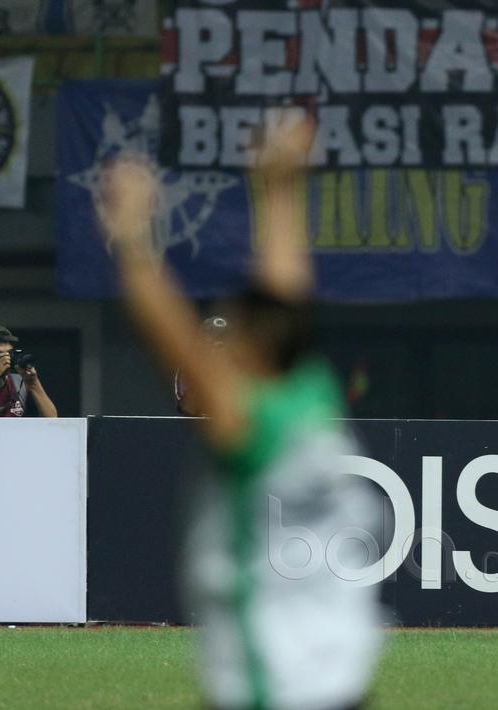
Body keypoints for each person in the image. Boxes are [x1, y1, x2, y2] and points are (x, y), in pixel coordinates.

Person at [98, 123, 383, 708]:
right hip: (343, 678)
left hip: (272, 686)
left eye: (233, 329)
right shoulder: (312, 393)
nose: (221, 339)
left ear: (254, 349)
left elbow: (167, 332)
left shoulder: (252, 425)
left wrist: (132, 239)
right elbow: (285, 303)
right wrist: (279, 190)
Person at [174, 315, 227, 416]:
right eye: (213, 340)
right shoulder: (191, 366)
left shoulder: (243, 367)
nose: (218, 346)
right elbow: (188, 407)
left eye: (223, 340)